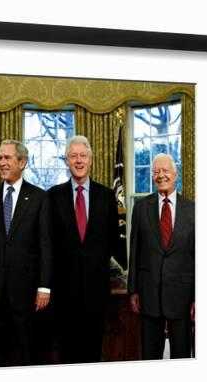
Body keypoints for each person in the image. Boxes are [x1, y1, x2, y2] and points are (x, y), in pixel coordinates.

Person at [0, 140, 52, 367]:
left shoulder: (39, 198)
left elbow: (45, 245)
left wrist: (44, 286)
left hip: (26, 292)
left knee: (27, 351)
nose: (2, 163)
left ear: (22, 162)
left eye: (7, 158)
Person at [48, 135, 123, 364]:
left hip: (96, 290)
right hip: (64, 291)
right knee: (67, 351)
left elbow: (113, 240)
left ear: (90, 159)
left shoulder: (107, 196)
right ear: (66, 161)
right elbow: (48, 241)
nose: (78, 161)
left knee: (93, 350)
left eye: (83, 155)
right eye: (73, 156)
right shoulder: (53, 196)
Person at [128, 153, 195, 360]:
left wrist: (198, 297)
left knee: (182, 355)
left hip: (182, 296)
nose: (160, 175)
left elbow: (199, 257)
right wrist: (133, 290)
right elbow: (135, 249)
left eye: (165, 170)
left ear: (175, 174)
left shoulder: (193, 210)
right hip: (149, 294)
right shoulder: (141, 208)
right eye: (156, 172)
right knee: (150, 356)